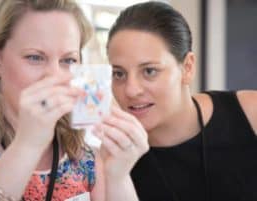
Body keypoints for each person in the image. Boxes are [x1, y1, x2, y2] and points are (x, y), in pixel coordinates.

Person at [0, 0, 148, 201]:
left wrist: (118, 176)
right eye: (35, 57)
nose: (55, 76)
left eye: (68, 60)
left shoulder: (85, 158)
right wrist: (27, 145)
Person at [105, 1, 257, 201]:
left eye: (149, 71)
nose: (131, 90)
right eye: (119, 73)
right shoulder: (112, 161)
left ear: (187, 68)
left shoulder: (250, 113)